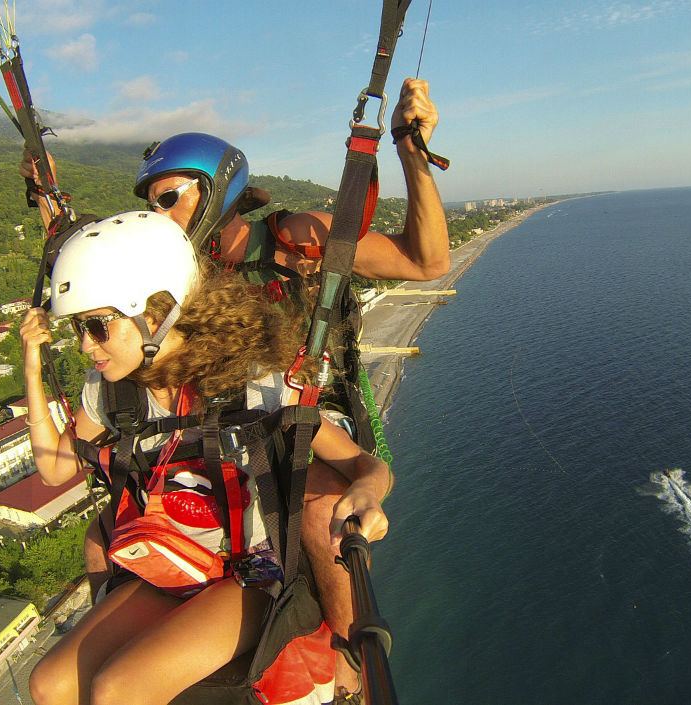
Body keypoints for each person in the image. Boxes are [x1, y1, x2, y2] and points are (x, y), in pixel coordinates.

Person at [23, 77, 445, 699]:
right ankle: (144, 638)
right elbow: (104, 285)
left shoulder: (291, 238)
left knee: (320, 511)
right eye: (150, 203)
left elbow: (424, 262)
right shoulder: (172, 275)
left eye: (168, 197)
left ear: (216, 190)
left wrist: (413, 158)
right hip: (213, 417)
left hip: (295, 408)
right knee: (101, 532)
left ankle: (350, 663)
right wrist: (49, 201)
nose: (157, 215)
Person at [22, 212, 391, 705]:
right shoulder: (112, 392)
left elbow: (365, 466)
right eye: (79, 329)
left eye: (98, 326)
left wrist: (366, 493)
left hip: (245, 574)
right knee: (48, 684)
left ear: (156, 313)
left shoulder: (254, 383)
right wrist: (31, 366)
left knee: (117, 691)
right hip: (167, 562)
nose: (87, 345)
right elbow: (54, 468)